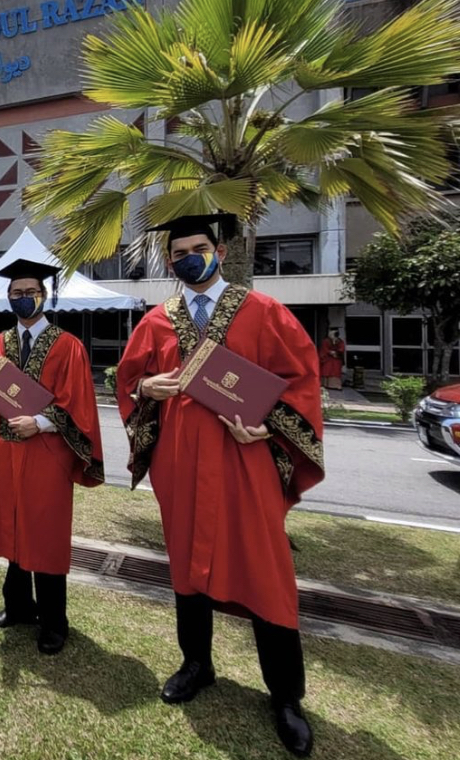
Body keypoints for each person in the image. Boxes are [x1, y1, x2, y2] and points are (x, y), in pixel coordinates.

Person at [115, 214, 324, 758]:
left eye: (199, 247)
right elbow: (128, 382)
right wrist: (146, 387)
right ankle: (197, 664)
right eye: (178, 251)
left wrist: (268, 424)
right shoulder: (157, 321)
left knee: (265, 570)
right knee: (187, 566)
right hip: (181, 465)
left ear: (222, 251)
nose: (189, 257)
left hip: (245, 463)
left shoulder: (265, 312)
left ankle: (285, 696)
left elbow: (301, 383)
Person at [0, 259, 103, 655]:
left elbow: (80, 407)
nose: (23, 299)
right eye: (16, 293)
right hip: (6, 453)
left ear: (45, 295)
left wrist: (40, 421)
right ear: (8, 297)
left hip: (46, 455)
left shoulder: (67, 346)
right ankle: (18, 607)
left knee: (45, 534)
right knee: (13, 528)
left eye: (30, 292)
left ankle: (55, 622)